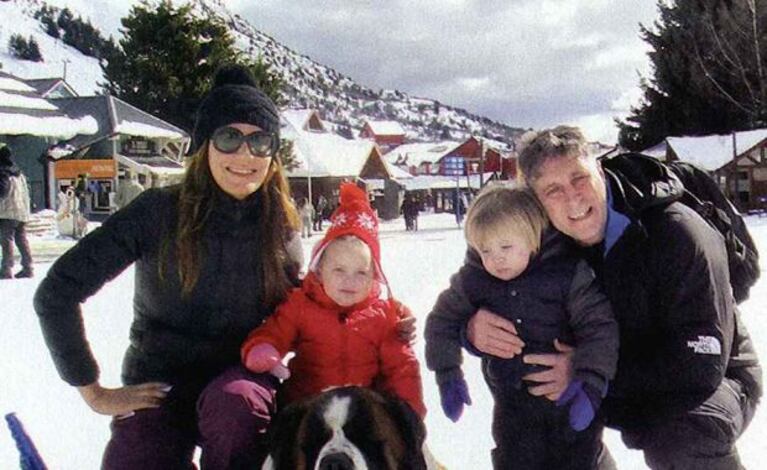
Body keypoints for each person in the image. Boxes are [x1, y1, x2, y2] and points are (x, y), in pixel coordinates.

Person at [34, 64, 305, 469]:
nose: (244, 154)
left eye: (260, 141)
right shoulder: (157, 213)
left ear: (273, 154)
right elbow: (57, 292)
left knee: (235, 408)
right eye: (229, 137)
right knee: (139, 455)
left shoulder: (279, 225)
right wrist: (94, 391)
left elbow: (305, 308)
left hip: (242, 381)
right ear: (203, 146)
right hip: (161, 382)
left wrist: (371, 325)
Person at [466, 126, 762, 469]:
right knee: (531, 403)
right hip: (602, 374)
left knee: (682, 436)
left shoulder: (677, 232)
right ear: (536, 200)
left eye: (580, 178)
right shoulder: (528, 235)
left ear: (600, 170)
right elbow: (473, 288)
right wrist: (470, 327)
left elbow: (699, 365)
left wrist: (587, 369)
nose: (574, 199)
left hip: (705, 379)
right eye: (553, 190)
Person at [425, 185, 618, 469]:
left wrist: (590, 383)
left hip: (569, 398)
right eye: (485, 250)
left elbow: (599, 328)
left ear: (532, 238)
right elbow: (441, 320)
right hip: (513, 403)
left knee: (579, 461)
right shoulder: (475, 279)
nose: (496, 259)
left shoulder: (566, 274)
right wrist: (447, 373)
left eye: (505, 247)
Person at [241, 182, 426, 417]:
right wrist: (264, 348)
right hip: (307, 408)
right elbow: (276, 330)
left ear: (375, 277)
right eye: (339, 270)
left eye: (361, 272)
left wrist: (408, 413)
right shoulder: (301, 304)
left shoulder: (383, 316)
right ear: (319, 271)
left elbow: (401, 368)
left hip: (359, 413)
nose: (350, 281)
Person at [0, 144, 34, 279]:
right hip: (21, 211)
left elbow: (2, 191)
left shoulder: (2, 171)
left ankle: (6, 269)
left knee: (6, 239)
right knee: (21, 238)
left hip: (7, 211)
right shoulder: (19, 172)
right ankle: (28, 267)